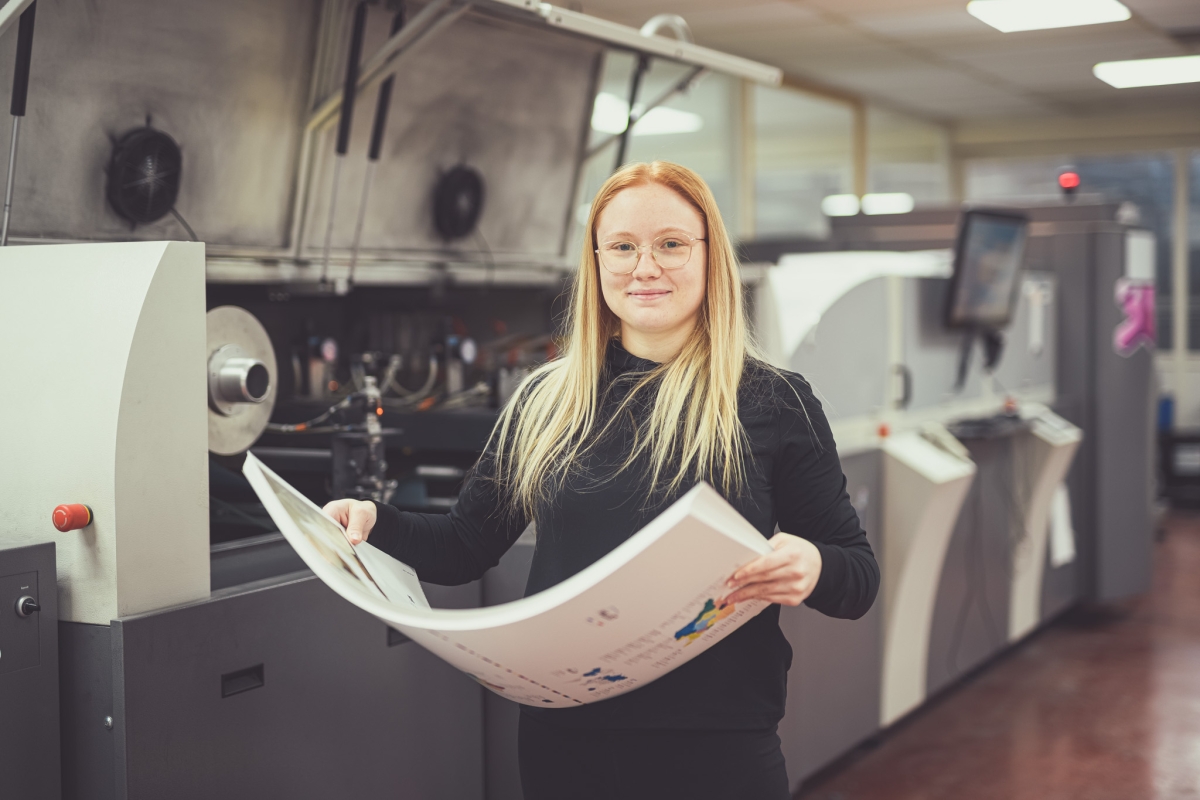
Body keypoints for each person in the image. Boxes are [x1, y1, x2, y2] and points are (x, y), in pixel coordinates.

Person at [324, 161, 879, 800]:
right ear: (597, 263)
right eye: (622, 247)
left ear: (708, 257)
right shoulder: (546, 401)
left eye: (670, 244)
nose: (645, 267)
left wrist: (812, 564)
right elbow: (461, 547)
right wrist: (374, 521)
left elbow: (857, 579)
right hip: (567, 745)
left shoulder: (773, 402)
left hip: (716, 746)